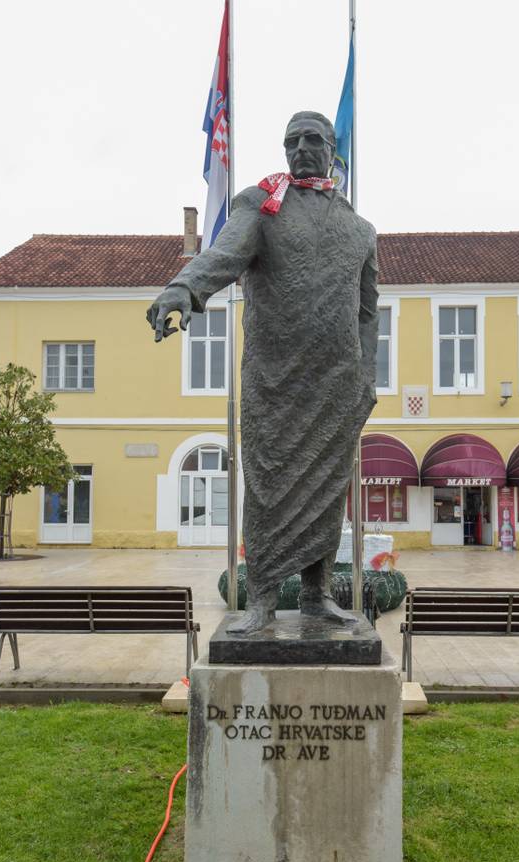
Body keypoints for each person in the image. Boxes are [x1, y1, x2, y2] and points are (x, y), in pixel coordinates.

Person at [147, 111, 379, 633]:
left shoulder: (360, 230)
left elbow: (368, 315)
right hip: (273, 379)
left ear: (331, 147)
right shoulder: (262, 204)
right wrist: (184, 289)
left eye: (311, 139)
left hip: (336, 383)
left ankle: (318, 596)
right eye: (291, 140)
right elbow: (224, 255)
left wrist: (365, 380)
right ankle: (262, 602)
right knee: (269, 484)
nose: (300, 148)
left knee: (327, 487)